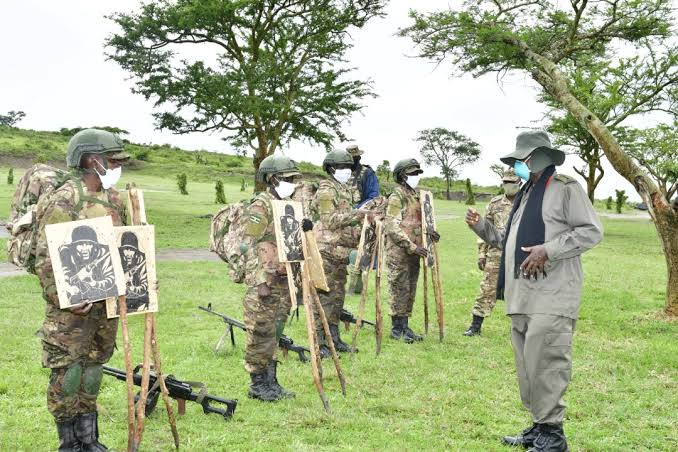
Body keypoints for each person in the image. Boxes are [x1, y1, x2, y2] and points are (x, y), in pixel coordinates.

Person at [466, 131, 603, 452]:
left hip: (552, 295)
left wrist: (549, 249)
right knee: (528, 365)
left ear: (541, 156)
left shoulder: (565, 189)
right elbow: (508, 241)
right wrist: (480, 228)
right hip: (521, 296)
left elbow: (591, 231)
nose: (518, 166)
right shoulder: (526, 193)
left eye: (523, 159)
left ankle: (553, 437)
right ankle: (540, 426)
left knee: (548, 363)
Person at [34, 128, 129, 451]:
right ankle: (69, 443)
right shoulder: (64, 199)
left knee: (93, 367)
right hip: (70, 309)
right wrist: (63, 298)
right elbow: (44, 256)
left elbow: (128, 244)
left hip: (106, 304)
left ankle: (89, 440)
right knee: (68, 372)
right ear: (92, 160)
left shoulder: (115, 199)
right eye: (113, 161)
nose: (118, 167)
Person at [240, 154, 312, 401]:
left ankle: (271, 382)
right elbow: (246, 244)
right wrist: (259, 280)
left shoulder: (288, 205)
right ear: (272, 178)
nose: (293, 183)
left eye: (294, 179)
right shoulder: (261, 206)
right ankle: (258, 385)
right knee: (261, 332)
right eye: (288, 178)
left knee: (275, 331)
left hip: (284, 279)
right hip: (265, 282)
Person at [312, 149, 366, 355]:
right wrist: (357, 215)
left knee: (337, 298)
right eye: (342, 167)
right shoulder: (326, 191)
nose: (346, 171)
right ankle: (321, 343)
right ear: (332, 168)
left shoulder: (343, 188)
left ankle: (333, 339)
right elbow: (329, 220)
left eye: (349, 167)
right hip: (326, 250)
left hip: (341, 251)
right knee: (324, 298)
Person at [384, 158, 439, 343]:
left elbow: (421, 222)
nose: (416, 177)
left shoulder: (416, 196)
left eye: (417, 173)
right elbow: (391, 225)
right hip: (399, 252)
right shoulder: (397, 196)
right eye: (412, 173)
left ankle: (405, 326)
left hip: (416, 252)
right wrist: (411, 246)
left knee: (410, 289)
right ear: (402, 175)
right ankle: (396, 328)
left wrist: (431, 233)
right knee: (399, 288)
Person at [463, 168, 521, 336]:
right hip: (496, 254)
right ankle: (475, 326)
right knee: (487, 288)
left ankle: (520, 328)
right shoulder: (495, 203)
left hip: (519, 254)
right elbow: (484, 230)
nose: (508, 185)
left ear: (519, 183)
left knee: (520, 291)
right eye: (506, 182)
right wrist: (482, 253)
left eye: (512, 182)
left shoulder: (526, 202)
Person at [119, 231, 149, 311]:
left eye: (131, 250)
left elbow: (145, 285)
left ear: (135, 251)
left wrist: (132, 288)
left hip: (137, 297)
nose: (128, 253)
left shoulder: (142, 259)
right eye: (126, 249)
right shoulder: (117, 258)